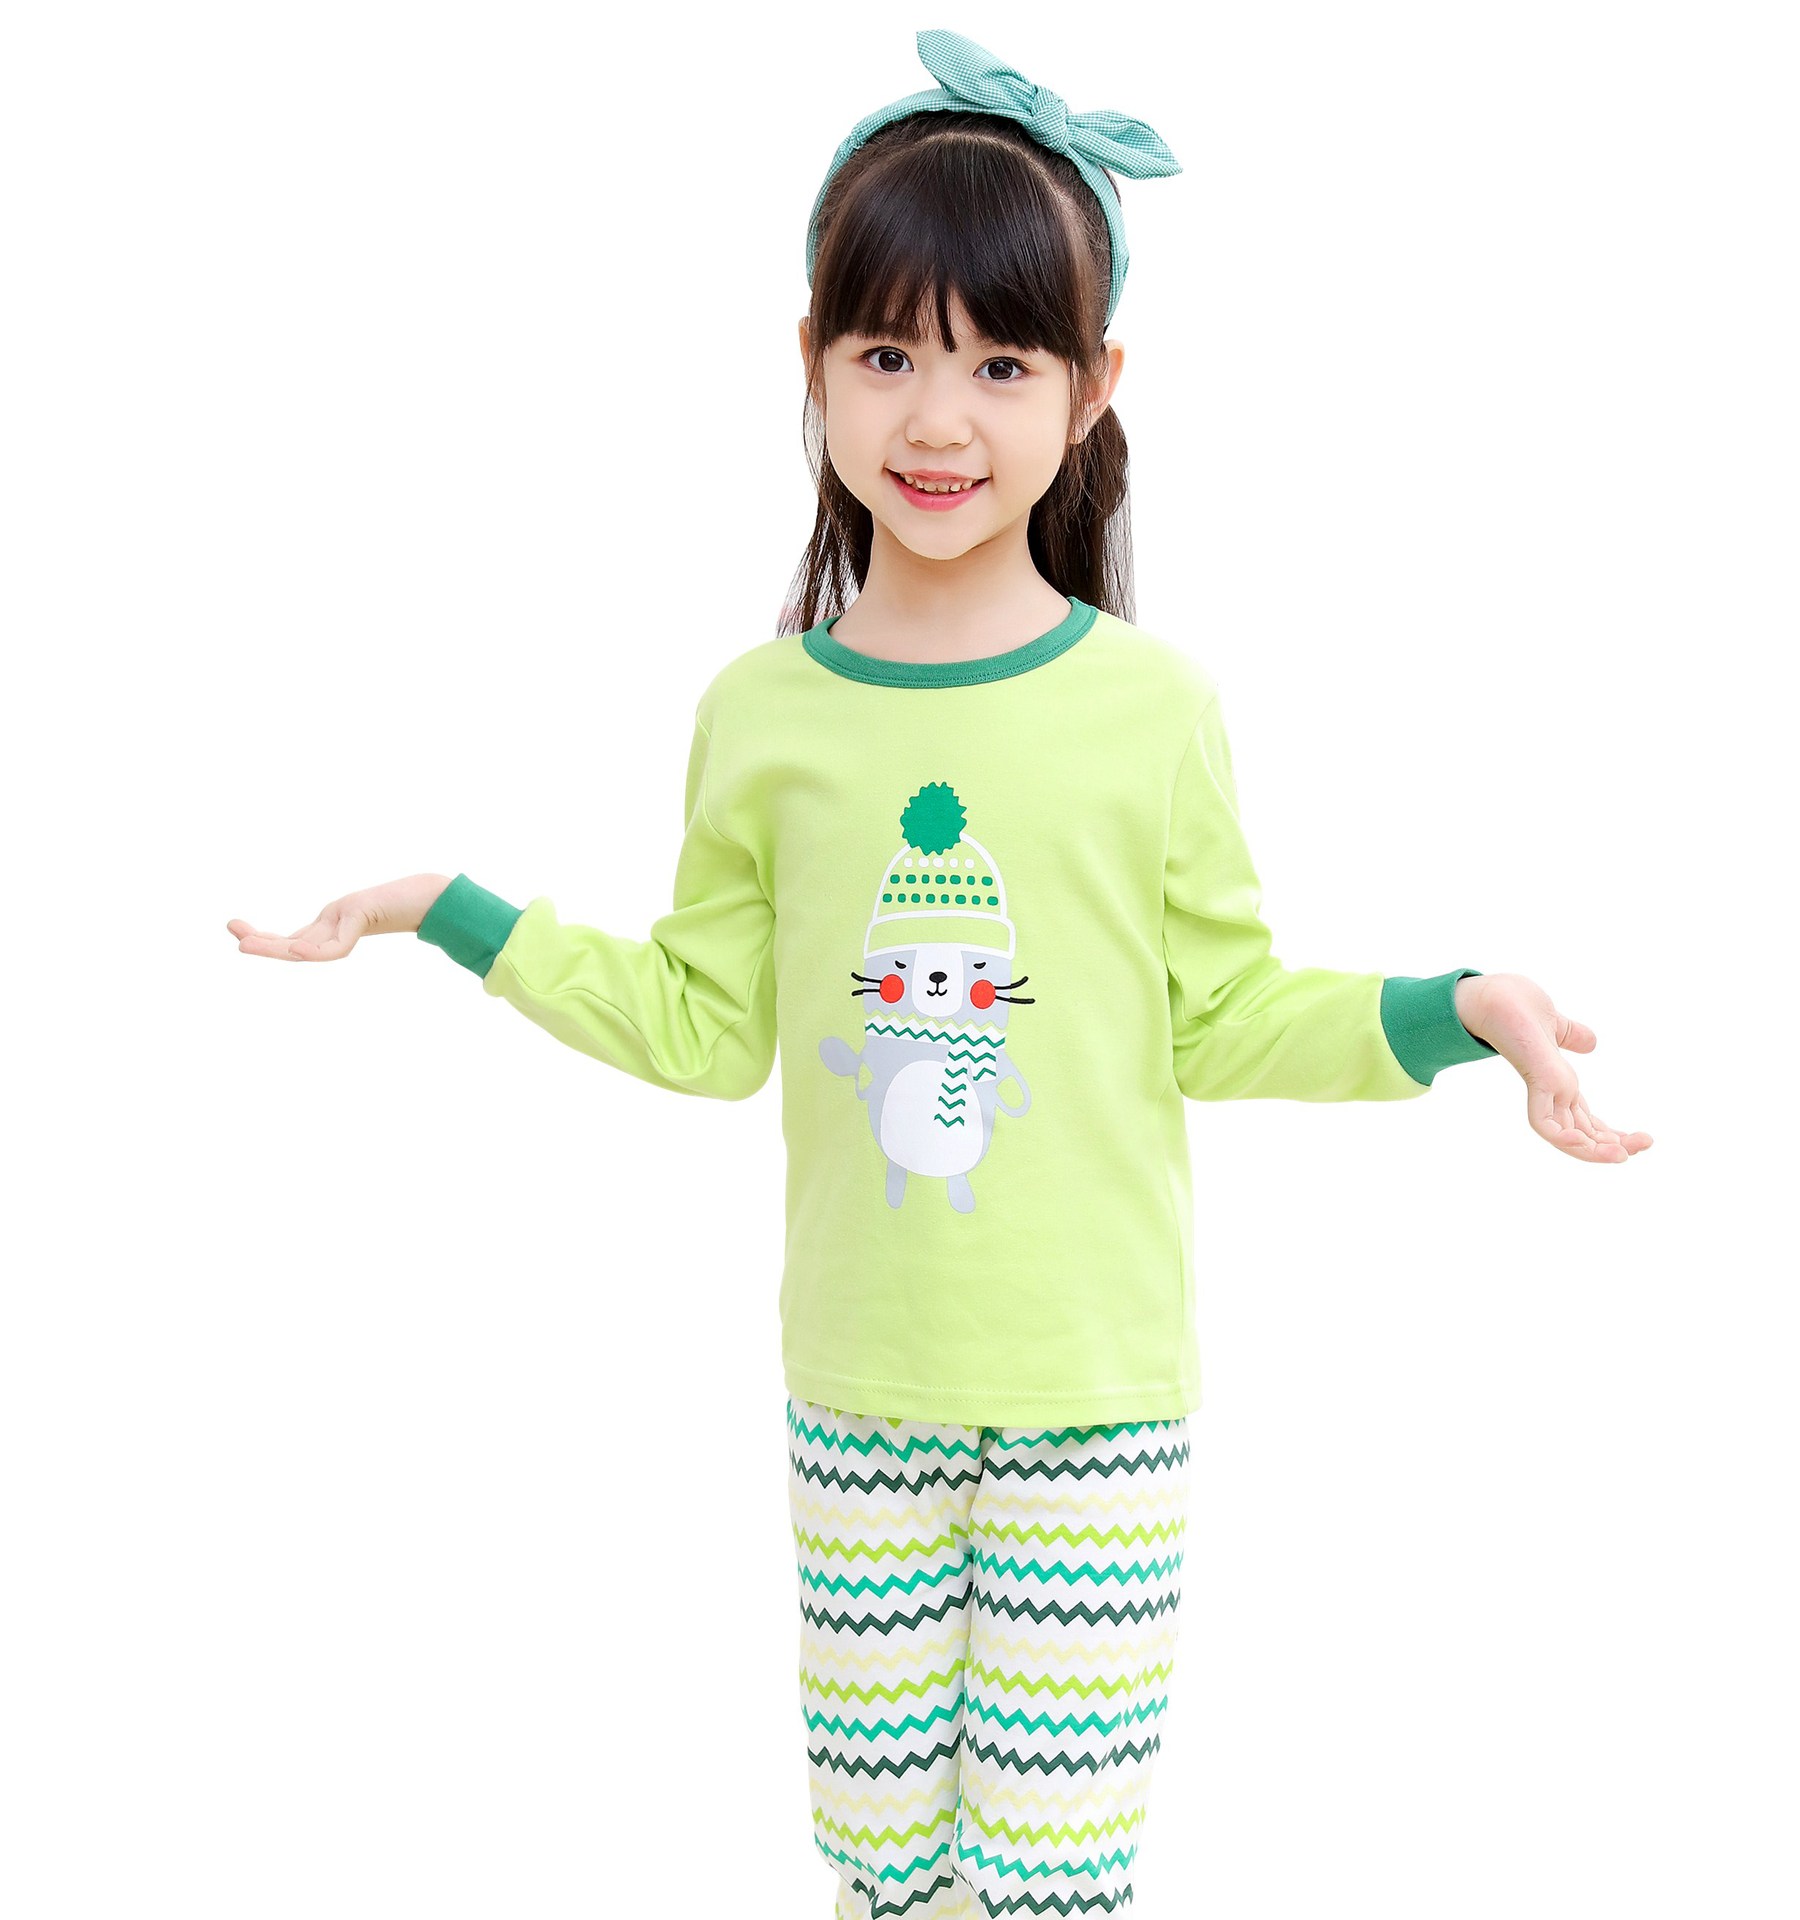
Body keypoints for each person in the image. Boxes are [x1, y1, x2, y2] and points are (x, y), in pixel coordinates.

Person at [228, 31, 1652, 1918]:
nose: (938, 419)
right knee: (879, 1873)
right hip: (855, 1396)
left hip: (1097, 1401)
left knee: (1050, 1881)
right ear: (810, 363)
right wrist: (450, 911)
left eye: (1001, 364)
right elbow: (702, 1025)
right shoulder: (760, 714)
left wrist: (1456, 1011)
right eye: (889, 354)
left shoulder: (1153, 708)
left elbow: (1222, 1013)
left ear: (1094, 387)